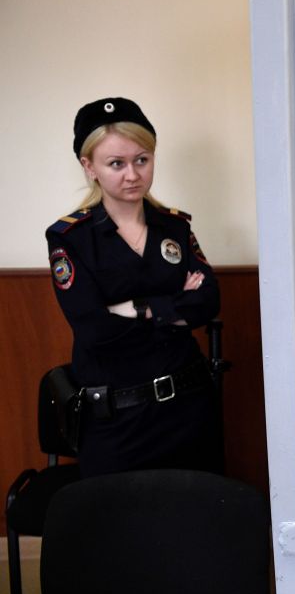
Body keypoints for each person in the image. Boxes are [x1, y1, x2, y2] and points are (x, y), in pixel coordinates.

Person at [46, 96, 224, 477]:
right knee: (120, 530)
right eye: (116, 164)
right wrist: (175, 307)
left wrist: (135, 308)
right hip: (118, 422)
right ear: (89, 166)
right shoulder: (71, 239)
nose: (132, 174)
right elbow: (94, 329)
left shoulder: (175, 227)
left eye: (142, 159)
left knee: (196, 525)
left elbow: (208, 302)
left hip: (188, 410)